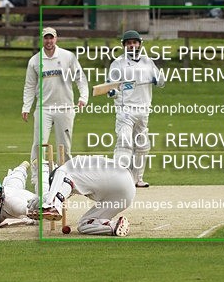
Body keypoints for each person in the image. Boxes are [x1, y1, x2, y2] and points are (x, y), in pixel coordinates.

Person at [22, 27, 89, 184]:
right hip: (43, 108)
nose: (49, 41)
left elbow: (81, 79)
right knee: (39, 144)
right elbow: (29, 86)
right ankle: (37, 176)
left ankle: (65, 178)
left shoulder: (68, 57)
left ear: (56, 39)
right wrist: (26, 106)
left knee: (64, 146)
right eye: (46, 38)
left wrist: (83, 97)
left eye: (51, 38)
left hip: (65, 108)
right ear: (42, 39)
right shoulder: (35, 61)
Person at [106, 30, 165, 188]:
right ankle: (118, 181)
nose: (132, 45)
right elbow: (111, 86)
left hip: (144, 109)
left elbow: (161, 82)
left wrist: (156, 79)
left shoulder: (147, 62)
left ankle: (136, 179)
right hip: (125, 110)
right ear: (124, 46)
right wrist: (113, 92)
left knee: (142, 145)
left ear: (139, 44)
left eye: (135, 42)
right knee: (124, 143)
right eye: (129, 43)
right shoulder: (118, 63)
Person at [40, 155, 134, 236]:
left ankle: (53, 206)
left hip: (116, 175)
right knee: (84, 224)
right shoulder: (83, 176)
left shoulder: (67, 168)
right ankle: (113, 226)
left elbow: (61, 172)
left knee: (68, 177)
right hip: (127, 194)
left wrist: (49, 202)